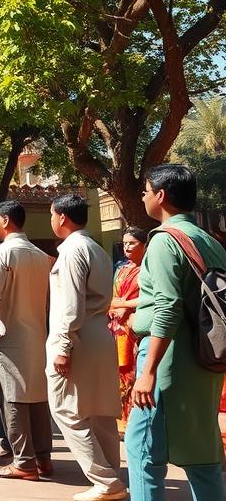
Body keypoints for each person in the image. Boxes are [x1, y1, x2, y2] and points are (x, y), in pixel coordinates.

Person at [128, 165, 226, 501]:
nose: (142, 196)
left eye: (145, 190)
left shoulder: (163, 241)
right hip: (205, 360)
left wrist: (148, 372)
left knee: (143, 452)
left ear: (161, 195)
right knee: (203, 452)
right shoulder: (208, 241)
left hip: (168, 360)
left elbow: (167, 307)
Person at [46, 193, 124, 501]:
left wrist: (63, 345)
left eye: (52, 215)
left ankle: (106, 482)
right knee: (100, 410)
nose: (52, 220)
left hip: (76, 337)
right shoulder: (96, 248)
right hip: (99, 336)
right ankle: (111, 478)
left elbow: (70, 305)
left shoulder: (72, 251)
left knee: (66, 409)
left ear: (62, 218)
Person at [0, 200, 53, 481]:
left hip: (7, 335)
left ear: (7, 221)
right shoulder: (40, 254)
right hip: (37, 334)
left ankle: (23, 461)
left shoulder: (1, 254)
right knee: (36, 398)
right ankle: (43, 458)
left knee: (12, 399)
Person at [109, 226, 147, 435]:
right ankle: (122, 419)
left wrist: (127, 305)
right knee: (119, 374)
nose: (127, 247)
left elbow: (150, 297)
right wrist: (116, 307)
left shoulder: (149, 269)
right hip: (117, 327)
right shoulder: (121, 269)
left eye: (132, 243)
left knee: (134, 373)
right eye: (124, 243)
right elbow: (114, 296)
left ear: (144, 245)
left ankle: (134, 420)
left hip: (136, 327)